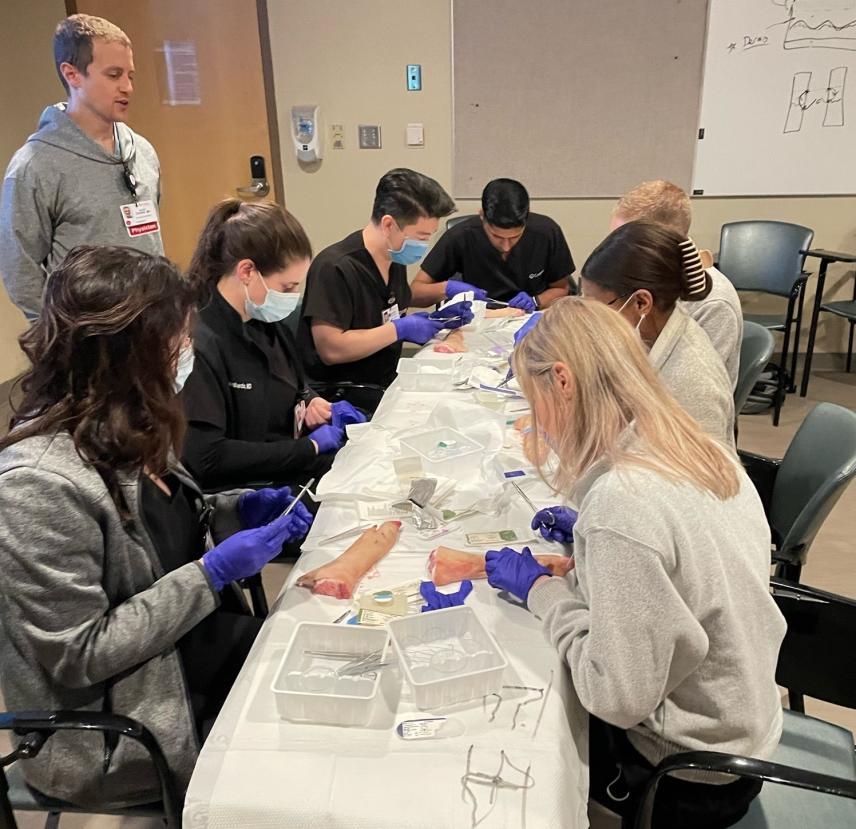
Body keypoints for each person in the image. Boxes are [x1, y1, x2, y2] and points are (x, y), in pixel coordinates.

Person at [0, 246, 312, 809]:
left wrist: (238, 510)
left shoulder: (131, 422)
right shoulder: (37, 485)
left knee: (312, 661)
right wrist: (211, 574)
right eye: (177, 340)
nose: (187, 351)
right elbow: (81, 653)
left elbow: (159, 531)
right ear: (128, 354)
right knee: (296, 766)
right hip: (118, 719)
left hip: (184, 645)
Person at [485, 297, 785, 828]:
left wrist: (542, 593)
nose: (539, 425)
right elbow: (682, 567)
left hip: (687, 772)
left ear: (563, 381)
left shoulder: (621, 506)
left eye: (535, 403)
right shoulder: (697, 443)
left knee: (516, 742)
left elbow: (615, 696)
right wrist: (588, 546)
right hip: (746, 723)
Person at [182, 199, 360, 493]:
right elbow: (207, 456)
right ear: (247, 271)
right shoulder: (200, 344)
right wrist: (309, 448)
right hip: (247, 491)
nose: (293, 296)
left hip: (286, 463)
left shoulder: (263, 317)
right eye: (287, 287)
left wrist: (311, 401)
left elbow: (291, 383)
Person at [0, 14, 162, 321]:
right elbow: (19, 268)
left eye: (130, 75)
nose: (127, 87)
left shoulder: (142, 151)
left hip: (151, 328)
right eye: (113, 75)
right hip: (85, 336)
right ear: (72, 74)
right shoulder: (35, 166)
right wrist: (57, 334)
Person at [297, 168, 472, 412]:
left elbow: (392, 307)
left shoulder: (394, 259)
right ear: (388, 224)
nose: (423, 246)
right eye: (421, 237)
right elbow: (331, 349)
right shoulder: (335, 267)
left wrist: (440, 319)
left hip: (384, 384)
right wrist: (400, 329)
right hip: (340, 398)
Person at [580, 220, 735, 449]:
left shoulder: (693, 384)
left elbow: (701, 469)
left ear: (641, 302)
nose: (593, 319)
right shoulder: (648, 333)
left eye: (598, 308)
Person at [611, 180, 742, 389]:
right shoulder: (641, 277)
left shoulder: (713, 302)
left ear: (662, 240)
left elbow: (694, 386)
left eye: (625, 243)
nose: (615, 251)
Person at [411, 178, 575, 310]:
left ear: (527, 217)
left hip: (530, 318)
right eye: (497, 236)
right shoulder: (461, 236)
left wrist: (536, 301)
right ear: (482, 216)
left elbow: (561, 288)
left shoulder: (546, 233)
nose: (506, 247)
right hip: (479, 319)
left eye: (515, 237)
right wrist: (446, 288)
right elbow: (414, 292)